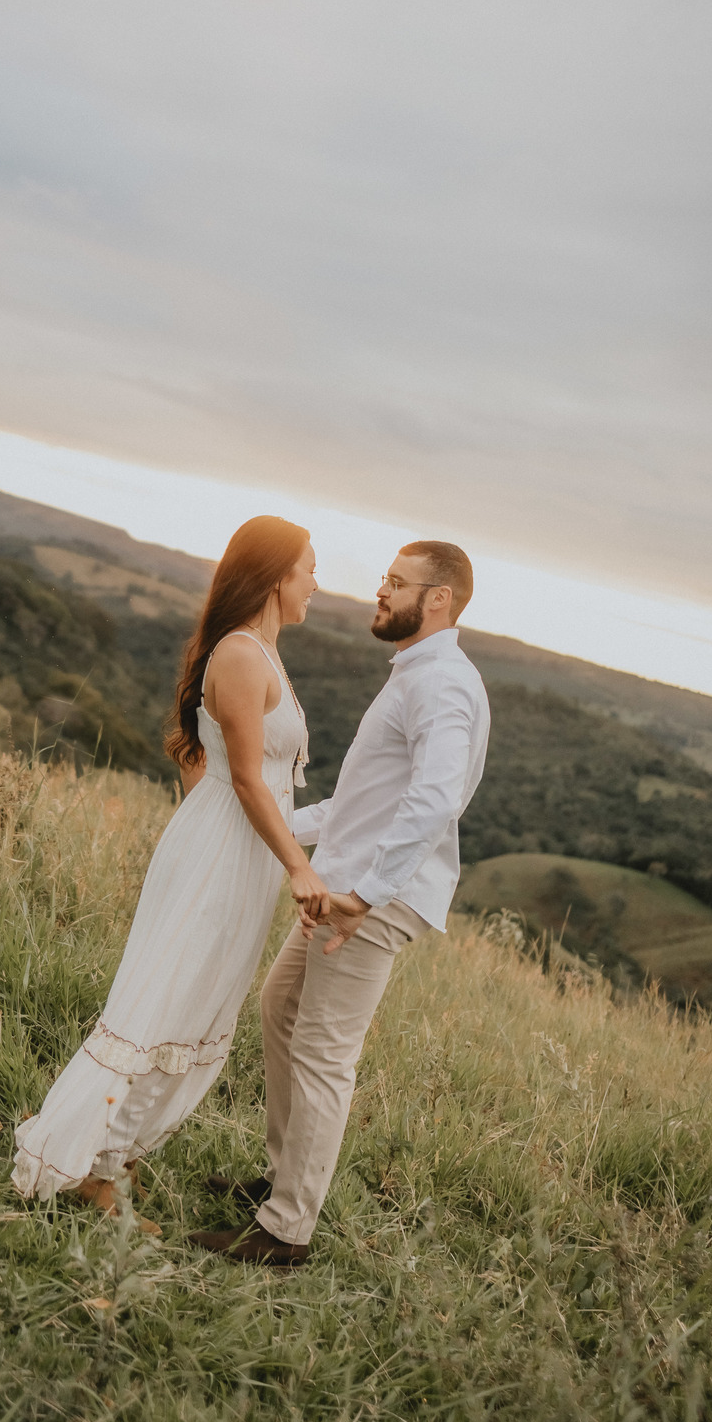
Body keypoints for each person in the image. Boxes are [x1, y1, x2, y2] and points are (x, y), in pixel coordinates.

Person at [12, 516, 329, 1230]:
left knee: (198, 1009)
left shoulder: (263, 655)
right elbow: (244, 779)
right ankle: (90, 1169)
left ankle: (115, 1154)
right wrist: (298, 867)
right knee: (167, 1005)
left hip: (239, 852)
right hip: (223, 853)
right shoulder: (241, 654)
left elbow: (209, 764)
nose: (316, 582)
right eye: (309, 568)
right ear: (277, 576)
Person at [189, 539, 490, 1267]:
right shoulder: (414, 674)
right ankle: (280, 1180)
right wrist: (261, 826)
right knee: (281, 1008)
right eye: (385, 578)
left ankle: (286, 1231)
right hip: (349, 884)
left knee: (324, 1052)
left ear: (439, 600)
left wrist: (364, 895)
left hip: (373, 897)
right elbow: (356, 809)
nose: (379, 591)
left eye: (396, 583)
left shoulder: (442, 683)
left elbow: (436, 799)